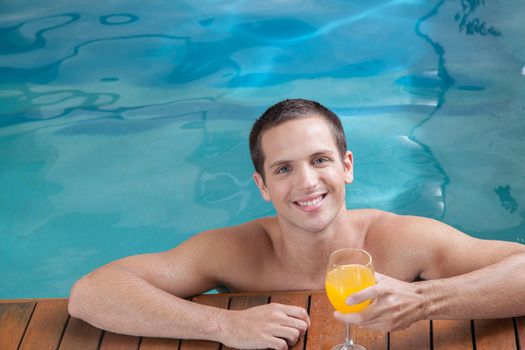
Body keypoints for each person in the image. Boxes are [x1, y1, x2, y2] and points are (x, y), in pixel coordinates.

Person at [68, 99, 525, 350]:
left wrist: (423, 300)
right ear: (262, 185)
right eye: (283, 169)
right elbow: (91, 293)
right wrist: (224, 327)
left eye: (320, 160)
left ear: (347, 166)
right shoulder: (235, 251)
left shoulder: (405, 240)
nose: (307, 183)